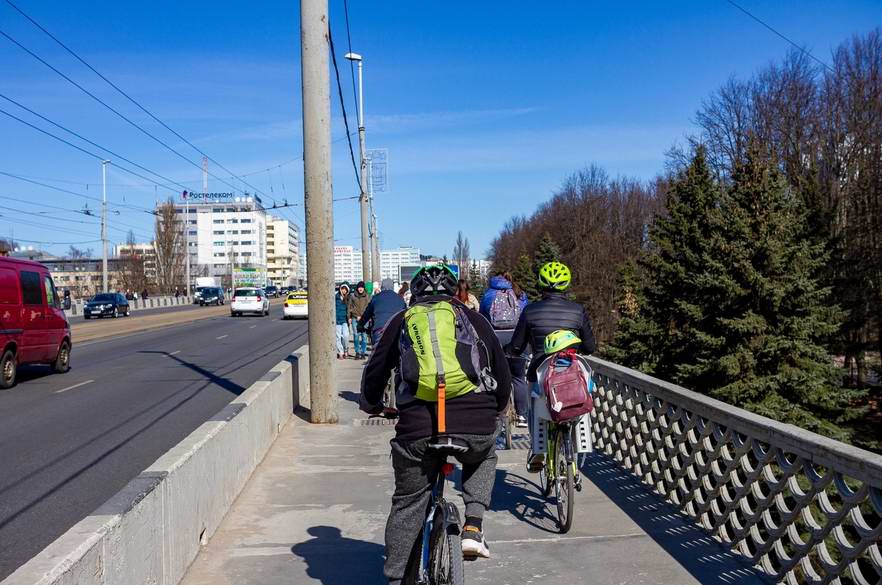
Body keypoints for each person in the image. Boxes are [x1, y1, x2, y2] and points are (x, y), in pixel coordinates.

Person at [360, 265, 512, 582]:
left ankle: (397, 577)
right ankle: (472, 524)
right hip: (476, 419)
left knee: (408, 503)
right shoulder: (475, 320)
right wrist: (495, 411)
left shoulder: (401, 321)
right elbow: (502, 373)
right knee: (483, 454)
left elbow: (375, 371)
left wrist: (371, 403)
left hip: (418, 428)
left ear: (414, 295)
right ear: (454, 292)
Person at [505, 261, 596, 470]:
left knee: (535, 409)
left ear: (541, 285)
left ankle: (538, 452)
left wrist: (507, 352)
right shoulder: (577, 310)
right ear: (566, 285)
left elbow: (517, 347)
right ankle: (574, 445)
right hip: (571, 371)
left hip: (541, 371)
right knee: (579, 403)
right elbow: (590, 347)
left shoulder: (530, 311)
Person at [481, 272, 530, 426]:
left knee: (496, 376)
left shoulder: (489, 294)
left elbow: (481, 316)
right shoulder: (519, 294)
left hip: (495, 338)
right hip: (516, 338)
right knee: (518, 377)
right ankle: (522, 416)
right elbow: (526, 315)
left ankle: (498, 413)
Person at [358, 278, 406, 347]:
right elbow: (405, 315)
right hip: (396, 332)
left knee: (377, 355)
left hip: (379, 330)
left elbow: (367, 314)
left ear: (382, 286)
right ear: (392, 287)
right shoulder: (400, 299)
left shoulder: (376, 298)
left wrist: (360, 324)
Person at [347, 281, 371, 359]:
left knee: (364, 336)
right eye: (359, 287)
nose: (360, 289)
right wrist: (350, 317)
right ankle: (357, 352)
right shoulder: (353, 296)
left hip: (364, 319)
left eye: (362, 287)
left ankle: (363, 353)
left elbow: (369, 308)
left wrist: (367, 317)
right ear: (357, 288)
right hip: (355, 318)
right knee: (356, 336)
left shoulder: (367, 296)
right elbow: (350, 307)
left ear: (364, 288)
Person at [335, 283, 351, 359]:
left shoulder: (348, 298)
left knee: (345, 336)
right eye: (342, 289)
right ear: (340, 289)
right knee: (338, 337)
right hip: (337, 320)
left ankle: (346, 349)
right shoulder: (336, 297)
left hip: (345, 320)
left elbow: (350, 309)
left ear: (347, 290)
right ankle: (340, 352)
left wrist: (350, 317)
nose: (343, 291)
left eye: (345, 289)